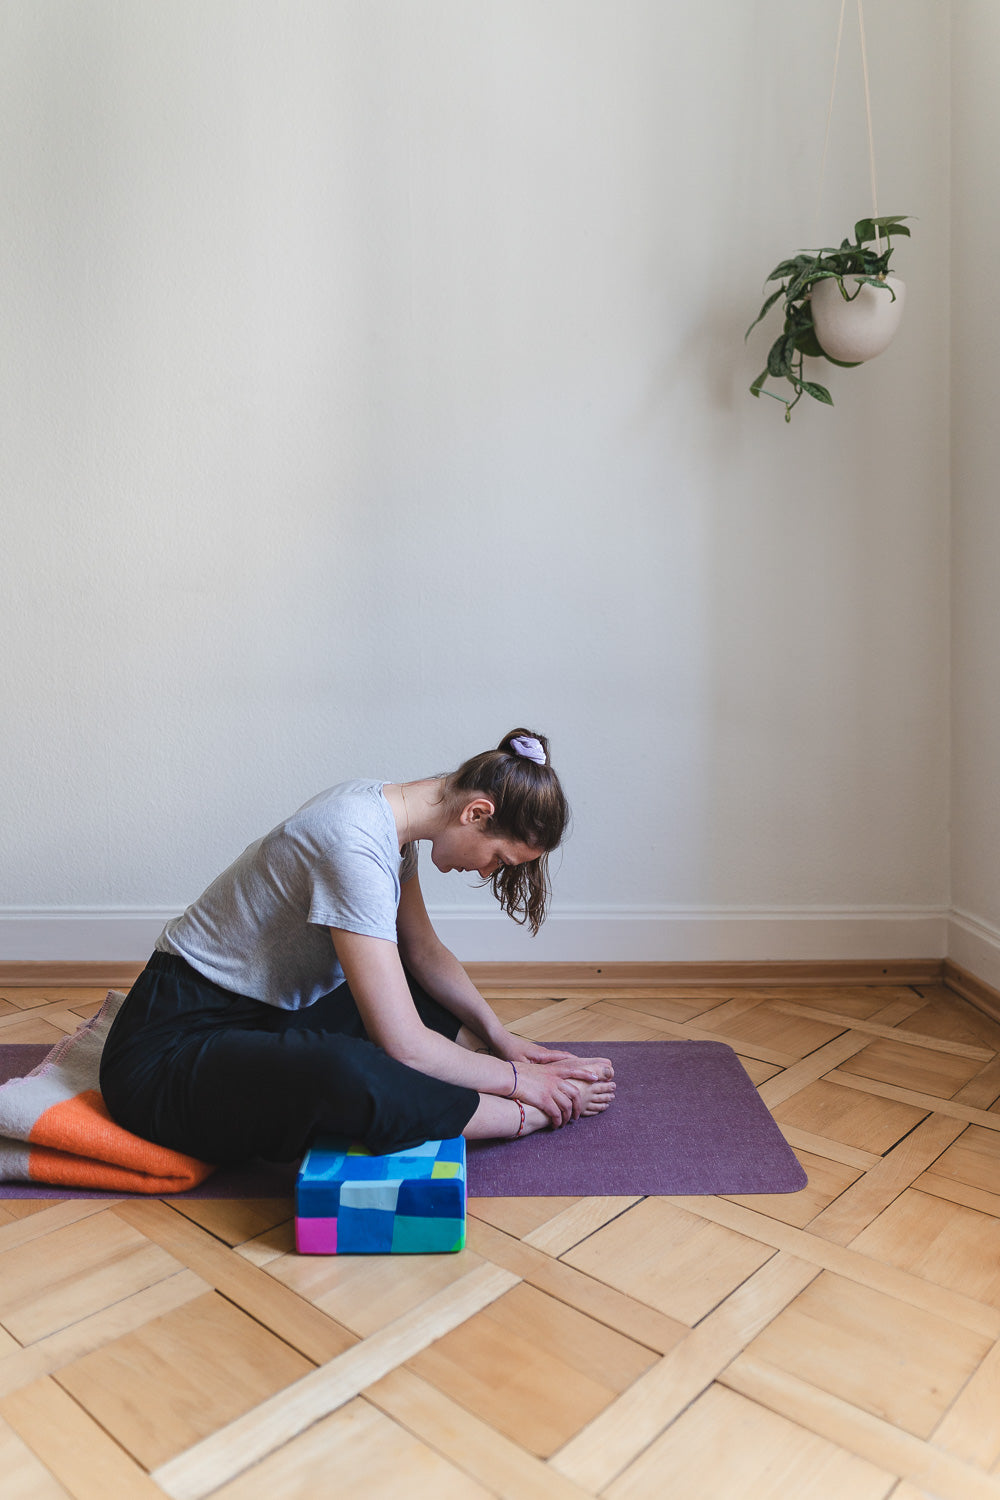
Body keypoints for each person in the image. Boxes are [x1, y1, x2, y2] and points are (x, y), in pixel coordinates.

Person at [100, 728, 615, 1165]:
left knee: (404, 993)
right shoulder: (352, 843)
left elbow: (425, 953)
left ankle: (486, 1075)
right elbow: (404, 1046)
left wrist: (501, 1040)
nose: (486, 872)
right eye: (499, 859)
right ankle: (520, 1116)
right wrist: (522, 1086)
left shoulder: (390, 821)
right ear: (477, 813)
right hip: (163, 1057)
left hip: (265, 1011)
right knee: (352, 1069)